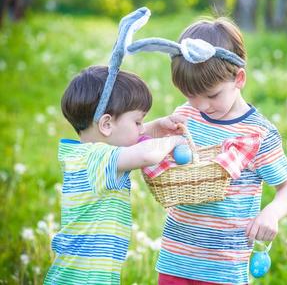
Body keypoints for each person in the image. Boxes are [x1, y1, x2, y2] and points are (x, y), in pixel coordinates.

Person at [155, 17, 287, 284]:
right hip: (176, 256)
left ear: (239, 78)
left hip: (224, 267)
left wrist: (271, 213)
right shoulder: (185, 116)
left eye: (211, 96)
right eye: (190, 95)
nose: (201, 106)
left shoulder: (258, 133)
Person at [44, 65, 185, 284]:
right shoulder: (98, 158)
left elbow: (122, 137)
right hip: (83, 278)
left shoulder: (85, 154)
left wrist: (154, 127)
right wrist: (175, 141)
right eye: (137, 122)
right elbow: (146, 155)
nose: (140, 129)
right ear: (106, 124)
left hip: (87, 274)